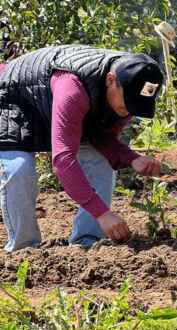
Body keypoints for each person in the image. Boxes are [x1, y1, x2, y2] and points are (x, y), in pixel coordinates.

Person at [0, 45, 164, 251]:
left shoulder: (130, 82)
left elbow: (101, 137)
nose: (128, 112)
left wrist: (131, 158)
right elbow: (63, 160)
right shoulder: (72, 88)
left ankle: (86, 243)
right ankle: (24, 249)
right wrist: (102, 213)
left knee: (100, 162)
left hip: (57, 100)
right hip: (14, 95)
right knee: (19, 170)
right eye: (127, 103)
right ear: (111, 80)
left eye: (136, 106)